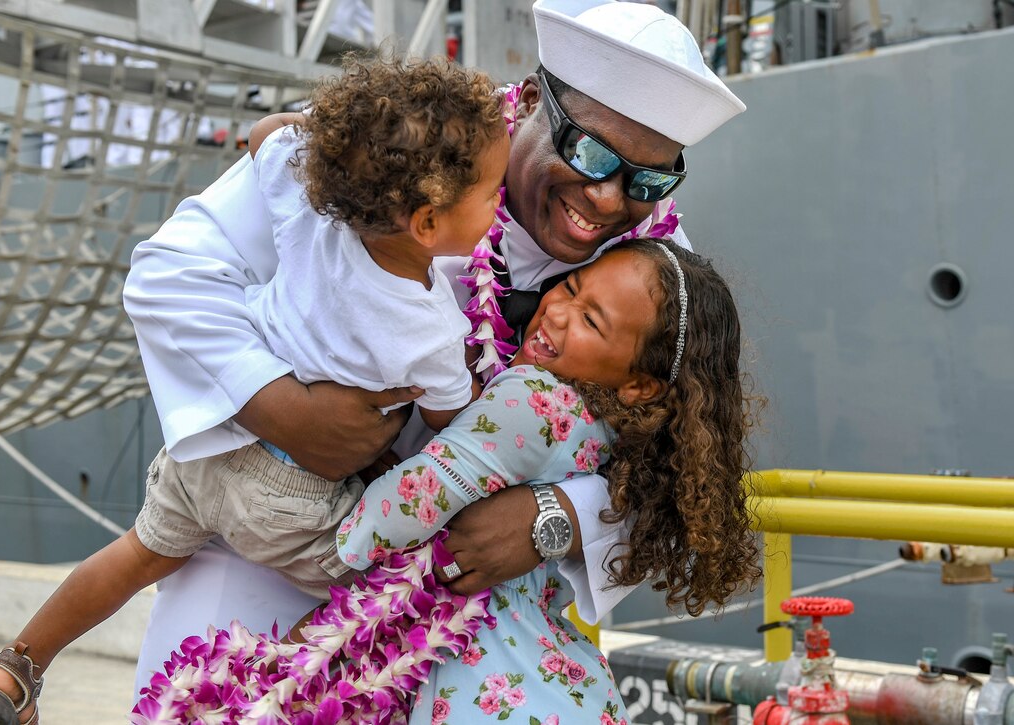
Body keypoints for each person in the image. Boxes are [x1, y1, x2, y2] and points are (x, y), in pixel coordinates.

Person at [122, 0, 748, 703]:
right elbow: (171, 276)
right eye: (592, 152)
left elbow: (688, 460)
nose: (606, 199)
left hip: (453, 633)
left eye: (645, 180)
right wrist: (282, 409)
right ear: (534, 102)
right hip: (256, 557)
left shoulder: (659, 273)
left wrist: (554, 519)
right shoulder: (408, 149)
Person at [0, 56, 508, 725]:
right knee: (384, 589)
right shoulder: (431, 328)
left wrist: (338, 148)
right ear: (426, 223)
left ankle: (16, 665)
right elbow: (454, 419)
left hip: (211, 444)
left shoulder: (310, 215)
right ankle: (250, 701)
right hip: (292, 498)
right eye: (491, 193)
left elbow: (267, 135)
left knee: (135, 553)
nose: (498, 203)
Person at [132, 239, 761, 723]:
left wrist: (347, 529)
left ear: (642, 383)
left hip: (477, 681)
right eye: (568, 288)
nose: (559, 312)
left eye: (592, 321)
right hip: (548, 678)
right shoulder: (617, 428)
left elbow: (404, 508)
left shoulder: (533, 395)